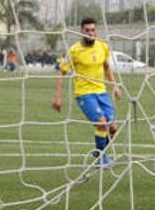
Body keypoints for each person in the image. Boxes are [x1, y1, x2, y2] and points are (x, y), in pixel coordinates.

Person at [52, 18, 121, 168]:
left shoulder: (102, 46)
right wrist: (58, 97)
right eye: (87, 30)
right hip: (84, 93)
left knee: (113, 128)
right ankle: (101, 159)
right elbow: (61, 72)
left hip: (101, 92)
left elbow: (107, 67)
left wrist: (115, 86)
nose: (90, 33)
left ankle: (99, 151)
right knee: (102, 123)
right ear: (81, 32)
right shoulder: (74, 51)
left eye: (93, 30)